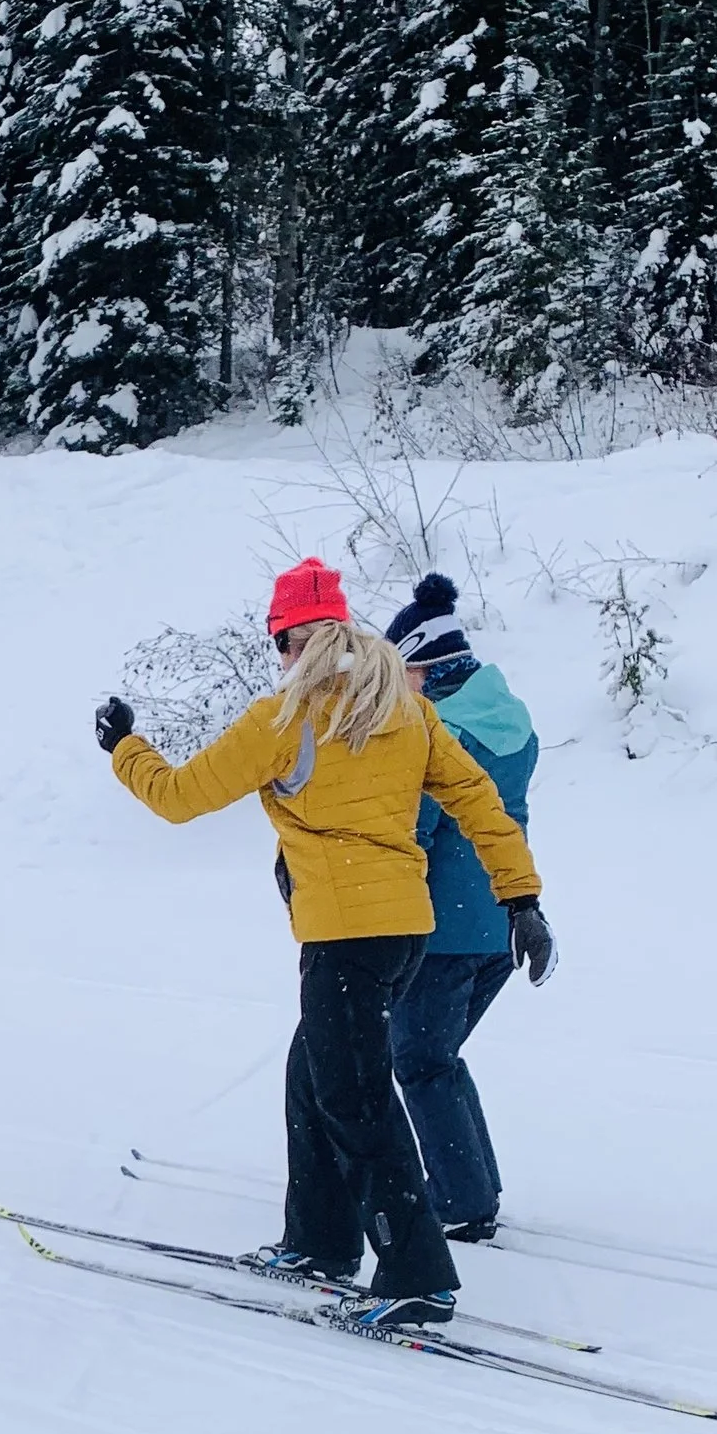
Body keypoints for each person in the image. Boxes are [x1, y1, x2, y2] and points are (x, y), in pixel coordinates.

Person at [95, 556, 554, 1335]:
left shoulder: (285, 717)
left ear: (289, 639)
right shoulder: (405, 709)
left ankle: (417, 1275)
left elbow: (177, 797)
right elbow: (479, 800)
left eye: (279, 643)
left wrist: (123, 746)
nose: (280, 658)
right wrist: (523, 898)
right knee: (313, 1076)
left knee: (355, 1098)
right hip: (403, 931)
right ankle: (320, 1242)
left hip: (346, 935)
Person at [382, 573, 543, 1243]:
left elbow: (413, 833)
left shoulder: (438, 733)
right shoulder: (513, 721)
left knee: (420, 1061)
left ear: (424, 666)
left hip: (442, 930)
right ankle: (475, 1187)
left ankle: (461, 1200)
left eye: (402, 673)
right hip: (502, 923)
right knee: (437, 1056)